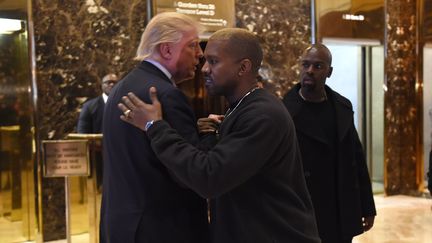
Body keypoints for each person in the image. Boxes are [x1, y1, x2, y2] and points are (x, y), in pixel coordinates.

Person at [118, 28, 321, 243]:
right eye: (205, 61)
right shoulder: (240, 108)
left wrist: (154, 126)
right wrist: (209, 133)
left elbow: (209, 177)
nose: (204, 69)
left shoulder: (263, 115)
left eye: (213, 62)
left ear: (243, 67)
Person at [100, 12, 209, 243]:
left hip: (123, 225)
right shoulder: (165, 94)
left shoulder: (122, 87)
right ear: (167, 50)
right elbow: (186, 172)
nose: (200, 54)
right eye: (193, 45)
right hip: (162, 228)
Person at [282, 43, 376, 243]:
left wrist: (367, 206)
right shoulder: (284, 112)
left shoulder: (341, 107)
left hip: (339, 208)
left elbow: (356, 158)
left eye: (318, 66)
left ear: (329, 72)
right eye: (305, 65)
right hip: (304, 209)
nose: (310, 71)